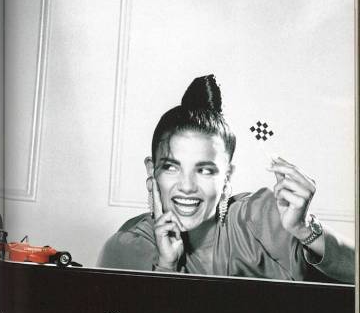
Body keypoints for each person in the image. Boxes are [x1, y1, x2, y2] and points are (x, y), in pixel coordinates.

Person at [97, 75, 354, 283]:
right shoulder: (128, 246)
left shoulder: (260, 217)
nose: (187, 186)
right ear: (152, 171)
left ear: (227, 178)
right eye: (171, 167)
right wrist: (167, 267)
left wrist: (304, 229)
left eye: (205, 170)